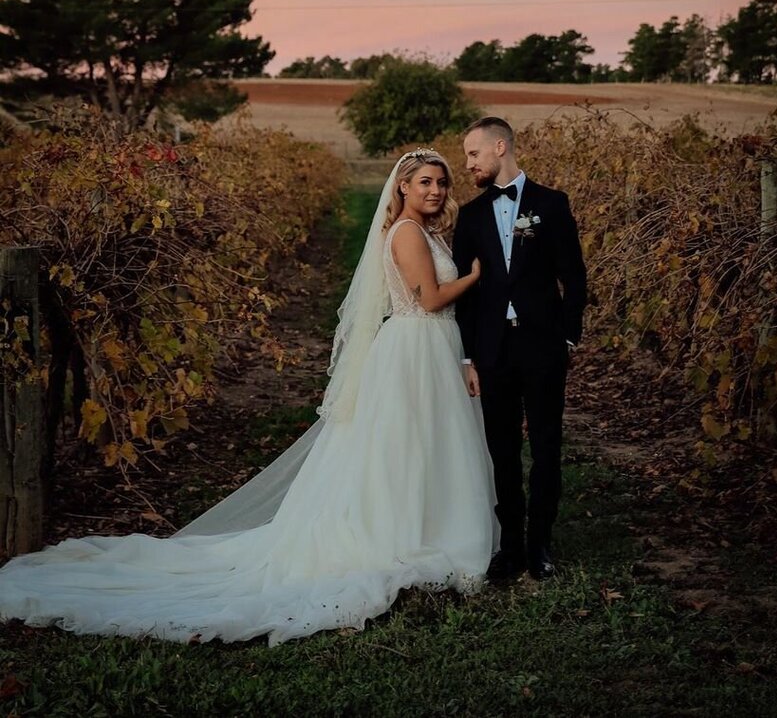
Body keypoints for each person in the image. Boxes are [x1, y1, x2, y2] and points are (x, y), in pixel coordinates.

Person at [0, 151, 496, 645]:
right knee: (407, 446)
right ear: (403, 187)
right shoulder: (407, 233)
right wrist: (475, 278)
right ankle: (406, 534)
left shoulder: (426, 231)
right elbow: (429, 299)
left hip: (433, 347)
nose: (436, 190)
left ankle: (425, 527)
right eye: (426, 182)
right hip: (414, 348)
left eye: (442, 183)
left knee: (423, 444)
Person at [452, 117, 587, 582]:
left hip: (543, 345)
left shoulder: (552, 204)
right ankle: (509, 546)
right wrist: (468, 356)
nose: (468, 163)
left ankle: (540, 544)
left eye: (473, 153)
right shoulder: (469, 217)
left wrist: (568, 335)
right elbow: (465, 294)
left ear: (500, 147)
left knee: (547, 445)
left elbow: (575, 275)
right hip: (493, 350)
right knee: (502, 448)